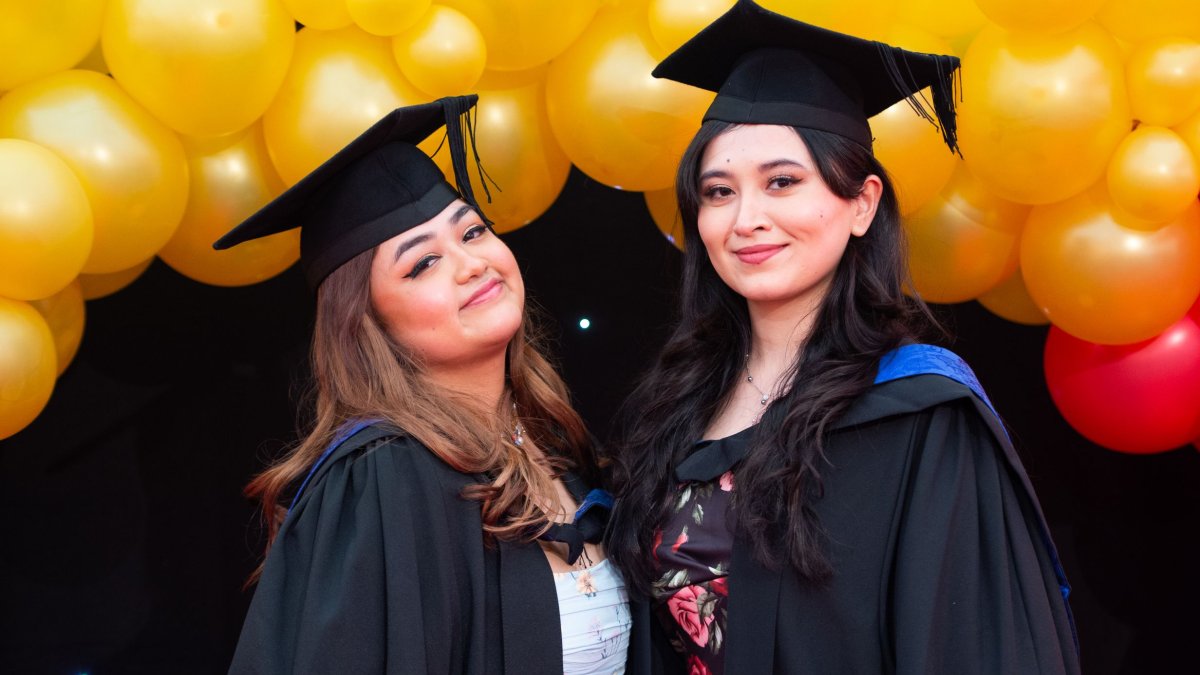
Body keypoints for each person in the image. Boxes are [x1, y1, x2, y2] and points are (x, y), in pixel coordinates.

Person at [607, 2, 1080, 673]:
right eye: (718, 192)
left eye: (782, 182)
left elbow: (970, 645)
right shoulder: (676, 410)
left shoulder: (919, 411)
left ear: (860, 203)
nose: (747, 219)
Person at [214, 96, 637, 674]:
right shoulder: (383, 475)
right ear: (367, 324)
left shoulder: (554, 447)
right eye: (422, 264)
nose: (470, 264)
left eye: (472, 232)